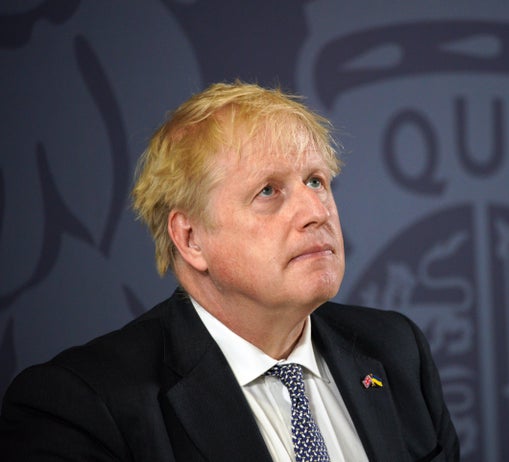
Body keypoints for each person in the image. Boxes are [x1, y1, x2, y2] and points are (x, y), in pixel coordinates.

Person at [0, 81, 459, 461]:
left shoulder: (398, 352)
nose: (316, 211)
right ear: (191, 238)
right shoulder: (86, 407)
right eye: (268, 191)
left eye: (316, 181)